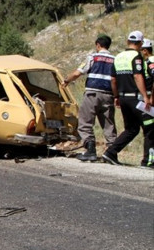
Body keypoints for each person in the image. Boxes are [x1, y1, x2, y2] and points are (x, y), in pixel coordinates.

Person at [62, 34, 116, 162]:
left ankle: (90, 150)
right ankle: (112, 152)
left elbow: (77, 73)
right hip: (108, 95)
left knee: (85, 122)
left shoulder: (93, 57)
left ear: (98, 45)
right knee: (109, 125)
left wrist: (66, 81)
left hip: (92, 94)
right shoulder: (115, 59)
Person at [101, 31, 151, 165]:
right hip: (136, 98)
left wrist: (116, 96)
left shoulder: (118, 57)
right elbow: (137, 76)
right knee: (150, 127)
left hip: (123, 98)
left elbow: (113, 79)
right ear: (140, 44)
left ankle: (110, 153)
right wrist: (145, 96)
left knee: (132, 129)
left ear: (128, 41)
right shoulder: (136, 56)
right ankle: (148, 161)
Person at [140, 38, 154, 167]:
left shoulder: (151, 62)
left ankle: (148, 161)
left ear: (145, 50)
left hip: (151, 102)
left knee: (149, 130)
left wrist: (150, 99)